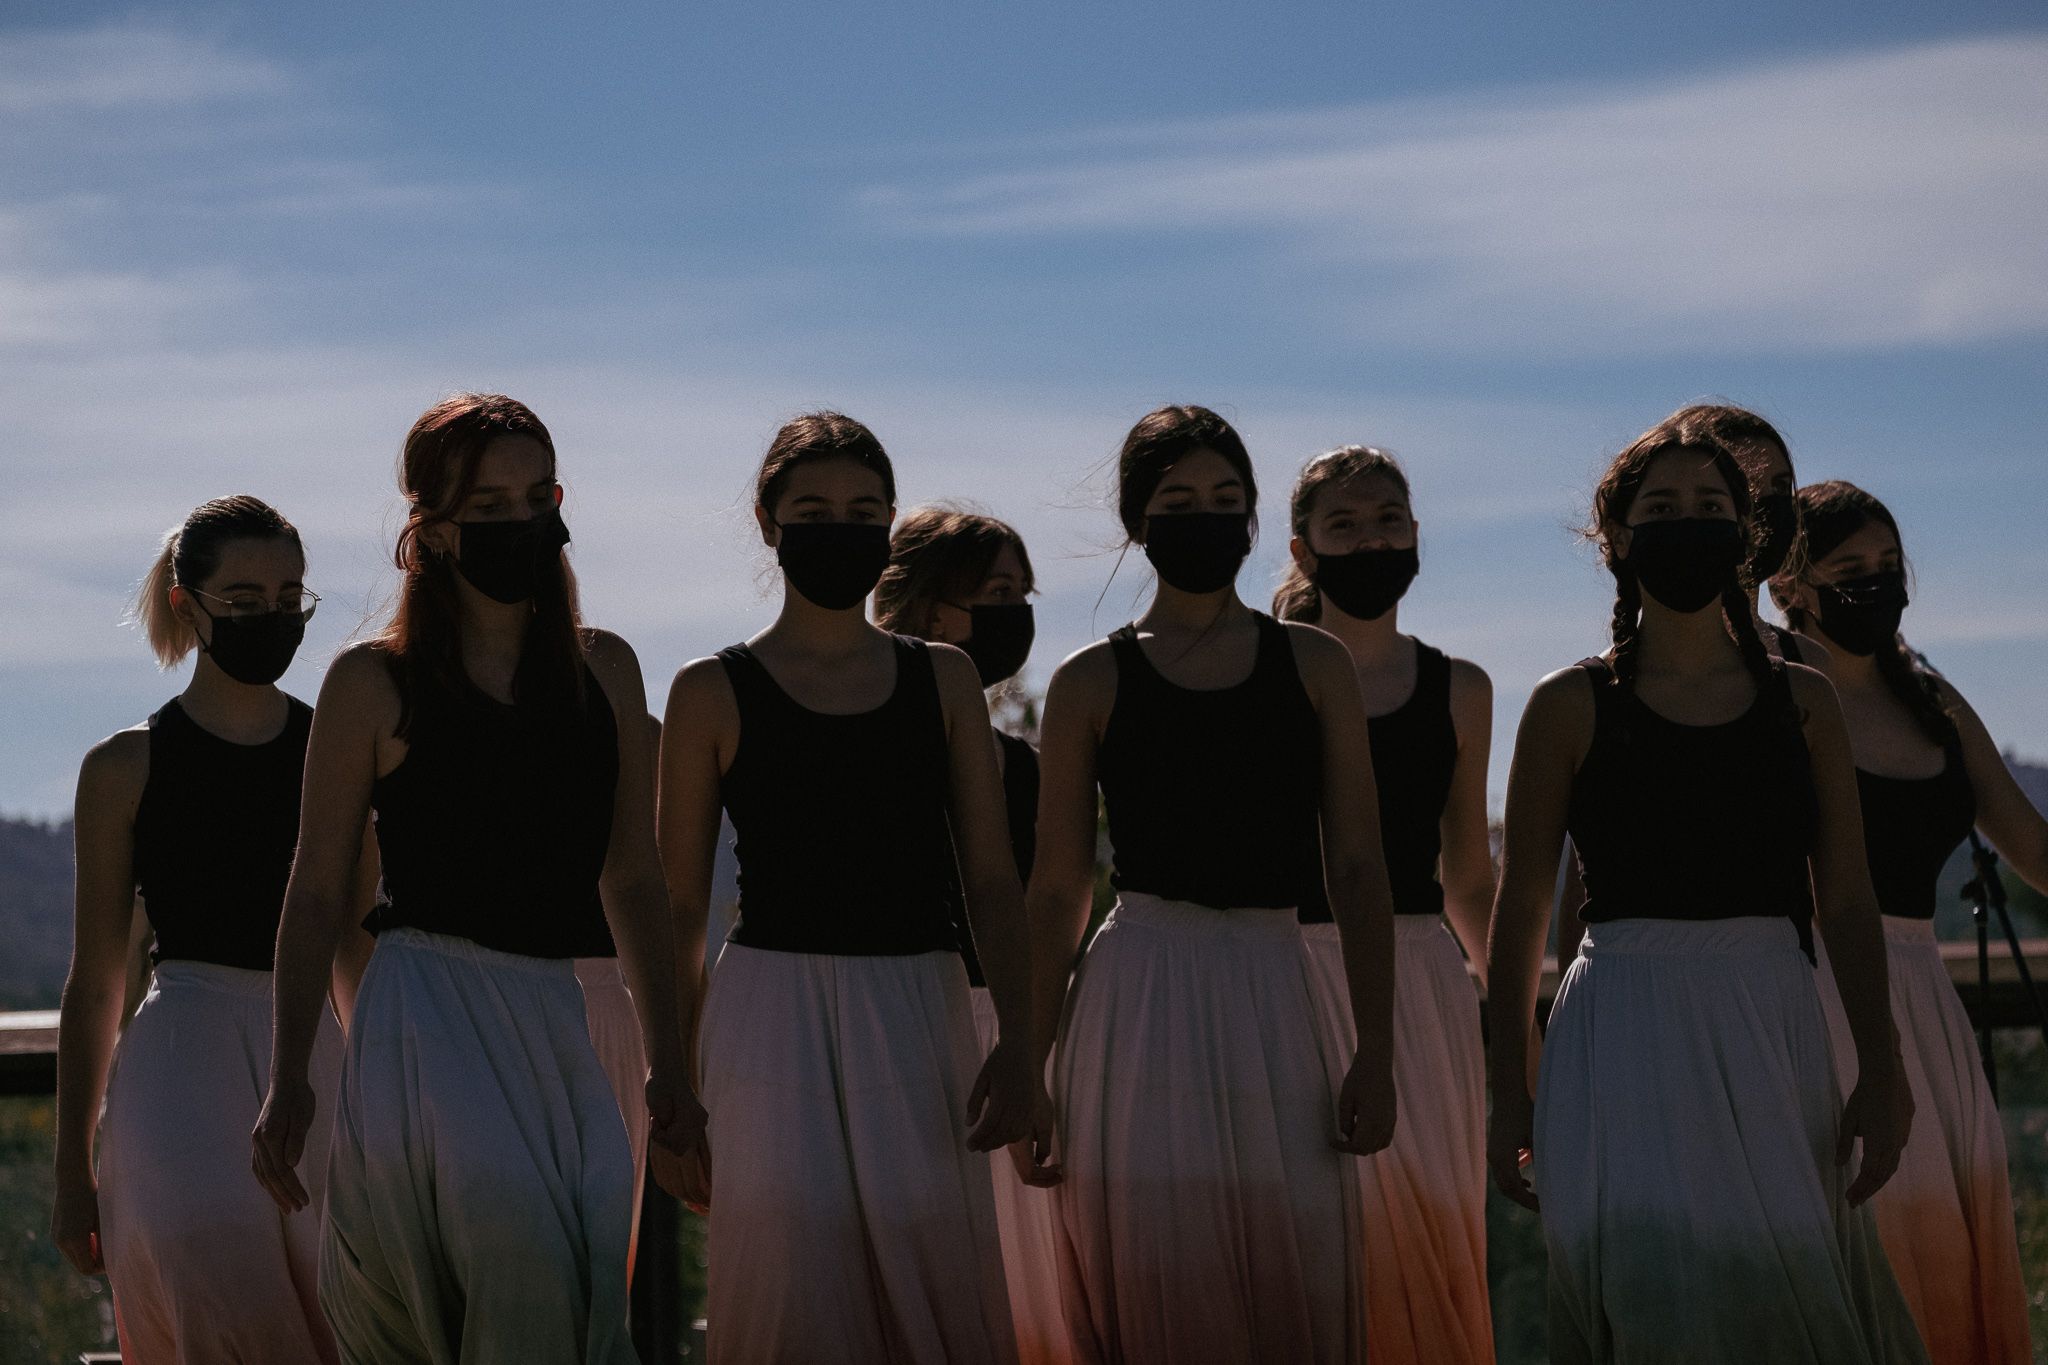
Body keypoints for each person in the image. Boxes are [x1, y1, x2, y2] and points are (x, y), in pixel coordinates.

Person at [252, 393, 693, 1363]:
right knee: (509, 1256)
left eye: (537, 496)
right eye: (489, 507)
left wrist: (671, 1064)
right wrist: (290, 1078)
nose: (520, 524)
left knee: (578, 1275)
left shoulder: (604, 670)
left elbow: (631, 876)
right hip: (427, 1016)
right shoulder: (372, 682)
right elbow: (318, 889)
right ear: (435, 530)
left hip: (555, 1017)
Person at [1486, 415, 1926, 1364]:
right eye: (1663, 508)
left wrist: (1882, 1070)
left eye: (1712, 507)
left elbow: (1845, 899)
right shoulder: (1568, 704)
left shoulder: (1803, 700)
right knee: (1645, 1296)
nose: (1689, 524)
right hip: (1618, 1032)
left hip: (1770, 1022)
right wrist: (1507, 1099)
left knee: (1796, 1301)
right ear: (1617, 538)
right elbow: (1519, 913)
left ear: (1747, 532)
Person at [659, 412, 1040, 1365]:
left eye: (865, 510)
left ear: (889, 522)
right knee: (786, 1284)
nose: (841, 528)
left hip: (918, 1002)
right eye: (815, 509)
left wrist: (1026, 1042)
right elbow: (676, 911)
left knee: (931, 1283)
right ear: (768, 520)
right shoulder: (712, 686)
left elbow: (992, 882)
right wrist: (671, 1084)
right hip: (767, 1012)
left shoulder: (942, 679)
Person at [1023, 404, 1396, 1364]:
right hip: (1140, 988)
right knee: (1153, 1277)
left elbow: (1356, 864)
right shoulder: (1089, 680)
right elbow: (1061, 885)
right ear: (1138, 521)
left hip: (1279, 985)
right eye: (1180, 499)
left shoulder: (1315, 664)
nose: (1208, 517)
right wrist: (1028, 1058)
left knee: (1296, 1278)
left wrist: (1376, 1045)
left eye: (1228, 499)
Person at [51, 496, 362, 1364]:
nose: (272, 616)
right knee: (207, 1285)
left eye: (289, 595)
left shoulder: (336, 750)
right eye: (244, 598)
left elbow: (355, 945)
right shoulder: (124, 767)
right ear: (189, 605)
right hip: (179, 1063)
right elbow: (96, 980)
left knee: (340, 1311)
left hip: (318, 1059)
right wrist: (74, 1174)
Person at [1776, 480, 2041, 1362]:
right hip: (1806, 993)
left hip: (1924, 995)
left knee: (1943, 1241)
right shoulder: (1768, 692)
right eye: (1849, 569)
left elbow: (2031, 846)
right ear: (1791, 583)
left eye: (1888, 566)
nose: (1876, 584)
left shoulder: (1929, 694)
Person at [1273, 446, 1496, 1365]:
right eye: (1346, 524)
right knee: (1300, 1241)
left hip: (1422, 990)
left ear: (1417, 536)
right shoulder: (1262, 673)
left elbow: (1468, 874)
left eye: (1389, 520)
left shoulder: (1462, 689)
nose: (1372, 539)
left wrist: (1511, 1013)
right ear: (1304, 546)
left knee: (1428, 1241)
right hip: (1282, 972)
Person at [876, 504, 1062, 1365]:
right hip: (887, 1023)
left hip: (993, 1038)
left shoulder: (1020, 763)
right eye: (994, 591)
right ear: (924, 601)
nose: (1014, 613)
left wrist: (1031, 1050)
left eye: (1022, 592)